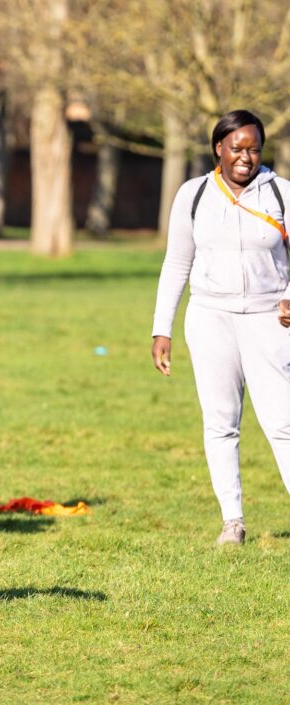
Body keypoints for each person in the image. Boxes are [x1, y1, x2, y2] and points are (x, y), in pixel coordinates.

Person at [151, 109, 290, 546]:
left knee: (282, 422)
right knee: (221, 422)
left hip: (270, 318)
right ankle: (233, 521)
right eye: (237, 148)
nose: (245, 157)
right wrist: (162, 328)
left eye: (253, 149)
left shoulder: (282, 194)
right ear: (219, 149)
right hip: (210, 317)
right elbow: (177, 262)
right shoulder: (193, 195)